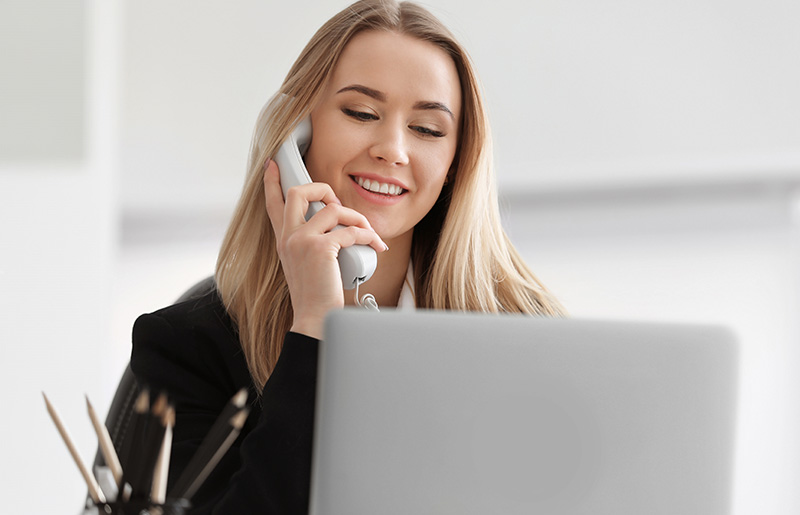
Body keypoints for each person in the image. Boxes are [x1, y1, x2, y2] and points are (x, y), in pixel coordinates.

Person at [130, 0, 565, 513]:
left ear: (456, 161)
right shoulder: (188, 349)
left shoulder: (527, 333)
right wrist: (315, 326)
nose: (393, 149)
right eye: (361, 113)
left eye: (427, 129)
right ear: (295, 132)